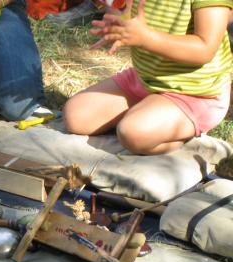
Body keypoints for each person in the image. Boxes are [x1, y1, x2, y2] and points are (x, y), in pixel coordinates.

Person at [63, 0, 232, 155]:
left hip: (196, 92)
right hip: (146, 78)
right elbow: (123, 10)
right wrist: (118, 19)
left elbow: (205, 48)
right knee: (76, 116)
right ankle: (150, 112)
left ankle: (182, 133)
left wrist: (145, 38)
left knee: (133, 133)